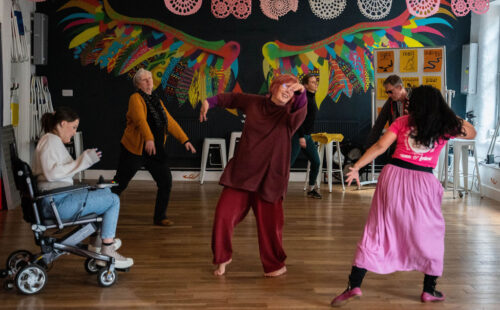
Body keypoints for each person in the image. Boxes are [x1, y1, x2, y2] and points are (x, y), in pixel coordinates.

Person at [330, 85, 476, 307]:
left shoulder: (402, 122)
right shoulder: (446, 126)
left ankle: (354, 285)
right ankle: (429, 289)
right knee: (431, 232)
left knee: (377, 228)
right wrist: (446, 112)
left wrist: (357, 166)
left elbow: (380, 146)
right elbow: (471, 132)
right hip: (423, 181)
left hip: (393, 176)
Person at [200, 74, 307, 277]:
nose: (288, 92)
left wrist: (301, 91)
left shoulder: (290, 115)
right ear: (274, 86)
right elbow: (230, 98)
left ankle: (274, 265)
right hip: (243, 174)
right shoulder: (255, 103)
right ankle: (222, 258)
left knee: (270, 226)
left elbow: (302, 106)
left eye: (292, 90)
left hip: (270, 178)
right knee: (223, 215)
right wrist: (209, 102)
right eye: (285, 86)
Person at [33, 107, 134, 269]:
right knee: (113, 200)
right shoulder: (50, 141)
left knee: (105, 192)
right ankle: (107, 249)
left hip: (53, 200)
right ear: (62, 124)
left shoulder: (50, 140)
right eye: (73, 127)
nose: (74, 132)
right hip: (56, 204)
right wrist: (83, 162)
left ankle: (97, 244)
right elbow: (52, 174)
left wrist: (83, 161)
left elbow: (60, 173)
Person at [112, 68, 196, 226]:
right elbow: (140, 120)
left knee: (166, 181)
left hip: (155, 150)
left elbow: (169, 122)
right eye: (145, 79)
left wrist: (185, 140)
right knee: (118, 183)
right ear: (138, 84)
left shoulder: (157, 101)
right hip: (134, 150)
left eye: (150, 78)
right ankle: (101, 208)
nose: (149, 81)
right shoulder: (135, 98)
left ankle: (160, 217)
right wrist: (149, 138)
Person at [290, 74, 322, 199]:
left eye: (316, 82)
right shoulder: (304, 99)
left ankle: (311, 189)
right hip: (298, 136)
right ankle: (275, 188)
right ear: (305, 85)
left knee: (316, 161)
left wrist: (306, 135)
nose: (315, 84)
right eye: (312, 82)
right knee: (288, 163)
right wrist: (301, 136)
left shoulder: (311, 97)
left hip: (307, 136)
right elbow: (299, 120)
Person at [365, 75, 410, 149]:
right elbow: (378, 125)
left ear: (399, 87)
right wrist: (368, 147)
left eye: (390, 91)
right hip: (396, 144)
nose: (389, 95)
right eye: (387, 92)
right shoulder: (390, 102)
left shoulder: (415, 99)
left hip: (412, 145)